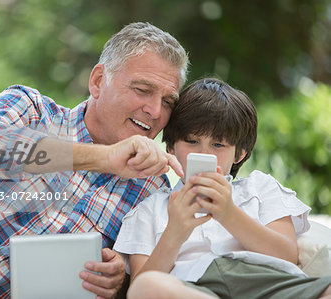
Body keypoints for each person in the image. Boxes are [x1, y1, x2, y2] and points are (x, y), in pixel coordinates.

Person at [0, 22, 189, 298]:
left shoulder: (152, 191)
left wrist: (117, 282)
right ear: (97, 81)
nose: (154, 110)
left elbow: (142, 280)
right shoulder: (31, 108)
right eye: (142, 89)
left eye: (167, 101)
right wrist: (103, 158)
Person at [113, 78, 331, 299]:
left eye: (218, 145)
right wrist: (175, 231)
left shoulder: (260, 188)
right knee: (146, 287)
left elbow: (287, 255)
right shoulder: (149, 209)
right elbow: (138, 290)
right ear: (171, 147)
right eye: (191, 141)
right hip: (193, 287)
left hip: (269, 283)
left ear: (240, 153)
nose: (204, 154)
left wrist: (228, 213)